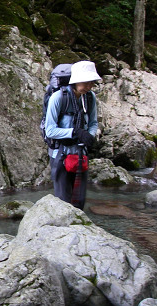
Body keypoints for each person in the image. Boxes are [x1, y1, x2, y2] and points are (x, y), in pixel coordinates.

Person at [44, 60, 101, 209]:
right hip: (60, 155)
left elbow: (93, 123)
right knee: (63, 202)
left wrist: (90, 136)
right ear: (75, 81)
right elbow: (49, 130)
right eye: (86, 83)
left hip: (81, 154)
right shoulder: (58, 98)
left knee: (79, 203)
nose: (89, 87)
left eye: (92, 83)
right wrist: (75, 132)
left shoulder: (89, 97)